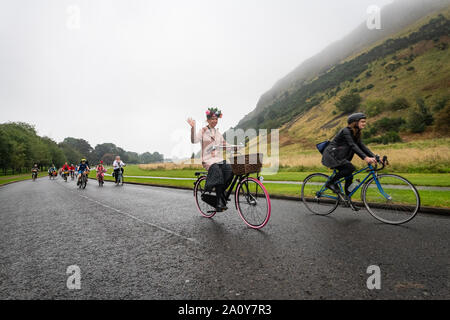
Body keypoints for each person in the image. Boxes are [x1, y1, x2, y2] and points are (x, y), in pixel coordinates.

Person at [322, 113, 377, 210]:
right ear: (355, 122)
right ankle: (330, 183)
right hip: (332, 155)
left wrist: (375, 157)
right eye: (362, 121)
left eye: (365, 122)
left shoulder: (356, 132)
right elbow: (352, 145)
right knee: (350, 168)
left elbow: (361, 146)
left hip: (340, 156)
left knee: (349, 176)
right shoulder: (345, 131)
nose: (364, 123)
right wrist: (365, 158)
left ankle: (348, 201)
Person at [187, 107, 233, 211]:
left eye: (216, 119)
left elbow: (225, 144)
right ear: (207, 120)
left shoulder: (218, 133)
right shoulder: (203, 131)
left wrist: (235, 147)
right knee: (217, 170)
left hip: (219, 158)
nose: (214, 121)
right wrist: (193, 128)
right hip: (208, 160)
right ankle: (218, 202)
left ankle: (220, 193)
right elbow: (193, 140)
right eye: (212, 119)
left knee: (230, 169)